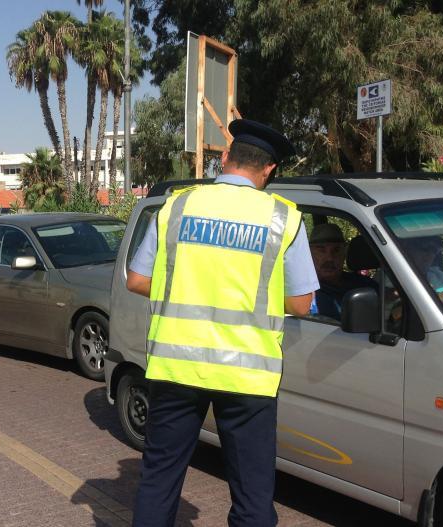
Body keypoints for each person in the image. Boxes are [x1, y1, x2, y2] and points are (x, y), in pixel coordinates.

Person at [127, 119, 318, 527]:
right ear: (268, 170)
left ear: (225, 159)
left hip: (176, 366)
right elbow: (302, 303)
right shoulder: (283, 219)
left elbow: (138, 280)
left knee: (158, 483)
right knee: (252, 495)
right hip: (248, 376)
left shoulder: (176, 206)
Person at [308, 223, 377, 319]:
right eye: (321, 250)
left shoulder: (365, 286)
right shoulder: (303, 294)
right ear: (309, 253)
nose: (329, 258)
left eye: (336, 250)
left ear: (344, 252)